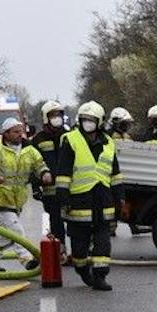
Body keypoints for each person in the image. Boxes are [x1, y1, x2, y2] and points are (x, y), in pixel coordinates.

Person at [0, 117, 51, 271]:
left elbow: (40, 165)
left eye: (22, 131)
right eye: (16, 132)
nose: (20, 135)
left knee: (5, 234)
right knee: (16, 230)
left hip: (18, 199)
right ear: (6, 134)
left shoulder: (30, 151)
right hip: (1, 197)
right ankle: (26, 258)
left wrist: (45, 173)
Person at [59, 101, 122, 291]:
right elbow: (63, 172)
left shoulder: (108, 142)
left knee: (103, 242)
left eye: (91, 120)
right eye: (84, 119)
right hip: (79, 200)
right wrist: (63, 198)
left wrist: (120, 196)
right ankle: (82, 270)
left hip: (103, 199)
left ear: (100, 121)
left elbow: (115, 173)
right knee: (79, 247)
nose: (87, 123)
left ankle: (100, 276)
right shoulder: (70, 140)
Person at [29, 100, 69, 241]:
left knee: (75, 222)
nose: (56, 117)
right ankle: (60, 250)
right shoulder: (38, 139)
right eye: (53, 115)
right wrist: (35, 186)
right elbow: (33, 164)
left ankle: (81, 250)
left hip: (71, 188)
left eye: (59, 114)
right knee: (56, 222)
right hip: (50, 191)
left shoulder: (70, 136)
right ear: (46, 117)